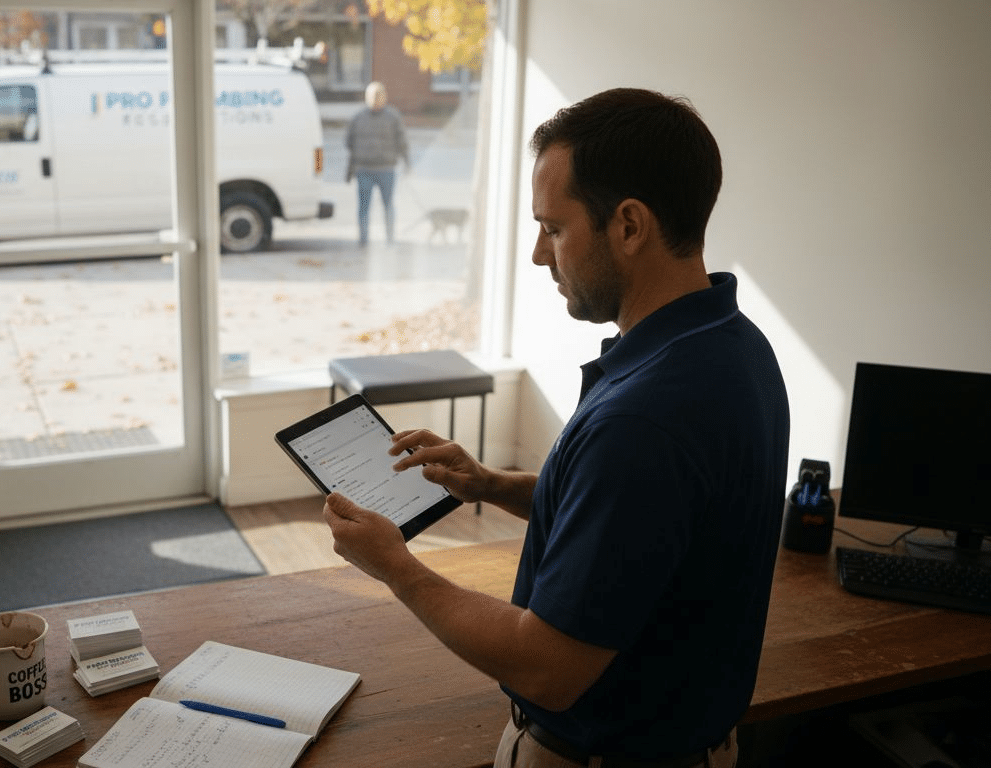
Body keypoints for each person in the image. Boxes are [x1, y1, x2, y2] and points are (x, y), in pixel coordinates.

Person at [322, 88, 790, 768]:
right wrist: (490, 484)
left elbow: (547, 669)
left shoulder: (644, 418)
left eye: (554, 228)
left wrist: (396, 567)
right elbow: (646, 520)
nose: (541, 255)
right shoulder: (736, 344)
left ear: (629, 226)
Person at [345, 81, 410, 245]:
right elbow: (349, 144)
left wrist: (408, 163)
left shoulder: (393, 117)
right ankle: (363, 239)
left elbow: (402, 142)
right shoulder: (358, 118)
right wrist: (349, 171)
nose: (375, 99)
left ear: (384, 97)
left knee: (388, 206)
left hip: (386, 170)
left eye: (378, 96)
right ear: (367, 98)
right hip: (364, 170)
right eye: (372, 96)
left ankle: (390, 239)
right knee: (363, 208)